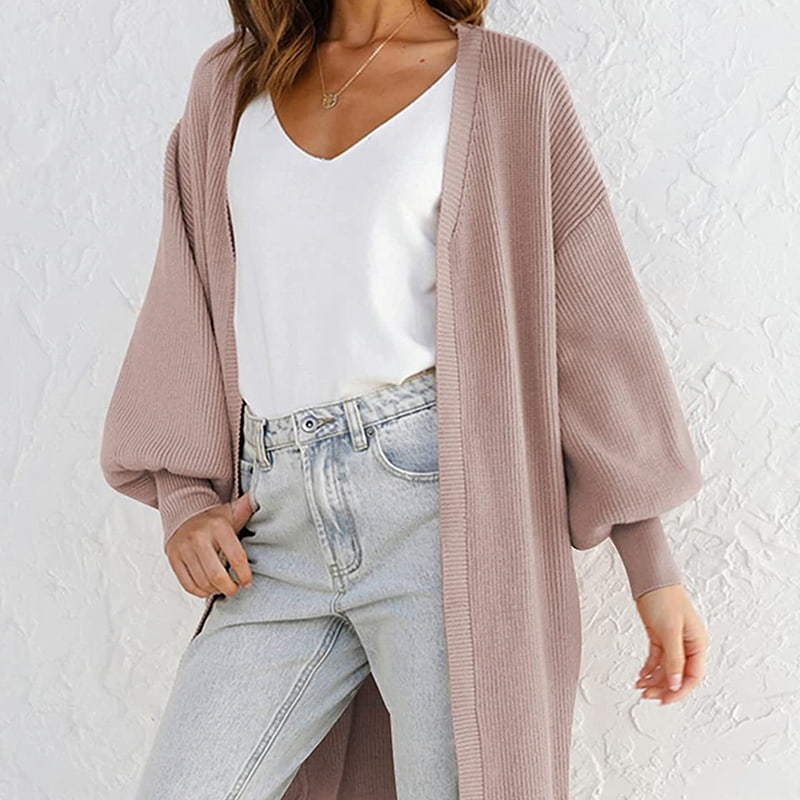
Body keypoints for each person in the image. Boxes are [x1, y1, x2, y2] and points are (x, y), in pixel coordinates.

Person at [100, 2, 708, 798]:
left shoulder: (509, 83)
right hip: (272, 531)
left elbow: (587, 321)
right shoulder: (231, 81)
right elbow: (186, 301)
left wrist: (651, 567)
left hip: (443, 518)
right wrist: (185, 501)